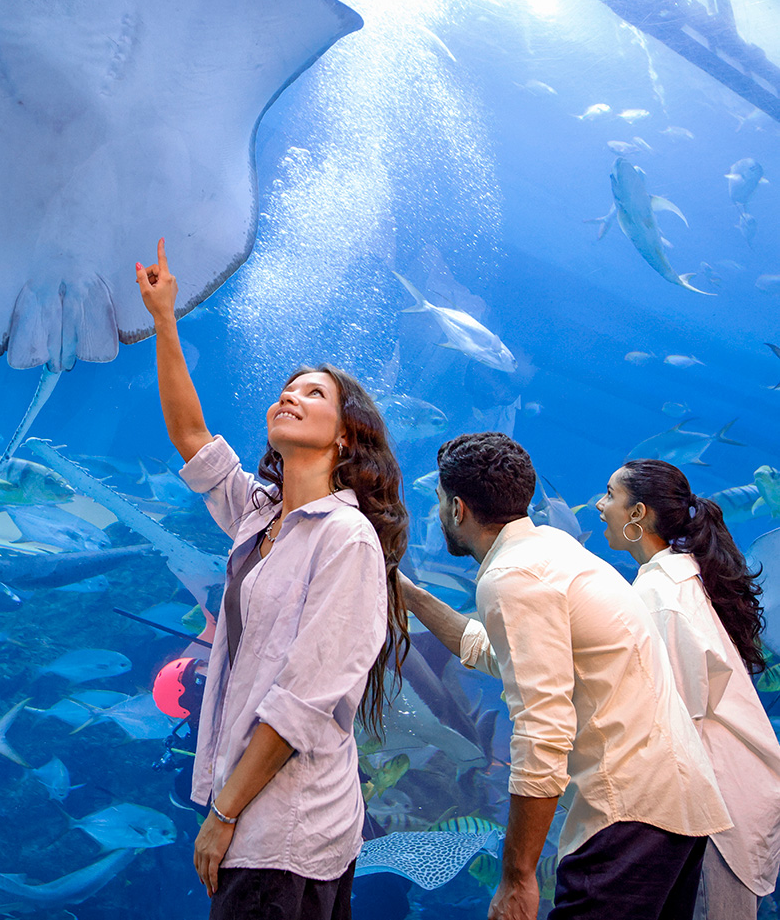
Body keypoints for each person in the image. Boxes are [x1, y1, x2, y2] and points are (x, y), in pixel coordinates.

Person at [135, 239, 410, 920]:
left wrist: (223, 813)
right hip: (257, 822)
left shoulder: (345, 538)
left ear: (346, 437)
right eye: (287, 387)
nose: (290, 393)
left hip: (283, 830)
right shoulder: (261, 516)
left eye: (312, 392)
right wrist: (164, 319)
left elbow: (305, 700)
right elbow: (192, 437)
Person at [398, 432, 731, 920]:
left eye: (440, 499)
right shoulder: (550, 548)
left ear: (458, 508)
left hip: (628, 814)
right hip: (673, 805)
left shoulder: (512, 577)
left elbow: (541, 731)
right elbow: (498, 654)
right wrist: (411, 596)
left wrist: (516, 877)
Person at [597, 459, 780, 919]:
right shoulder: (681, 578)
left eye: (610, 495)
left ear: (638, 513)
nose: (600, 506)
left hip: (714, 816)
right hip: (726, 804)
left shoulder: (663, 596)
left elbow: (677, 720)